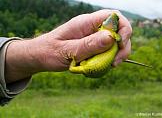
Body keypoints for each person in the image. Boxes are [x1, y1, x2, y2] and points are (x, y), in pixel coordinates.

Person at [0, 9, 132, 106]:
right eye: (108, 19)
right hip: (90, 64)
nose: (111, 19)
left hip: (93, 66)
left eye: (115, 21)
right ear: (101, 24)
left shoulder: (112, 35)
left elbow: (119, 38)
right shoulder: (104, 31)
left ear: (115, 27)